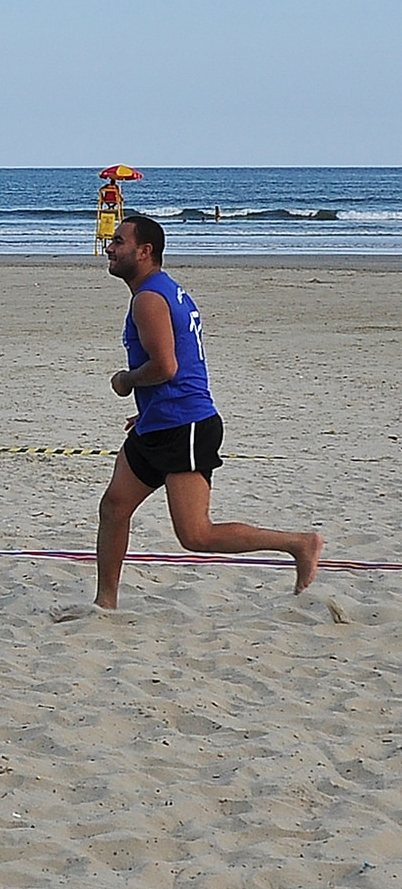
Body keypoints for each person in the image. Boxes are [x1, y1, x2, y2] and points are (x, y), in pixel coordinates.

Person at [85, 215, 320, 611]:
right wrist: (147, 413)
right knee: (114, 507)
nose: (109, 247)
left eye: (119, 241)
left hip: (185, 425)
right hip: (160, 422)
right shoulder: (163, 291)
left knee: (196, 535)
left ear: (145, 252)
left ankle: (298, 544)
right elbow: (184, 364)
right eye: (111, 240)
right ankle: (105, 602)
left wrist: (126, 381)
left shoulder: (149, 298)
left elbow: (167, 367)